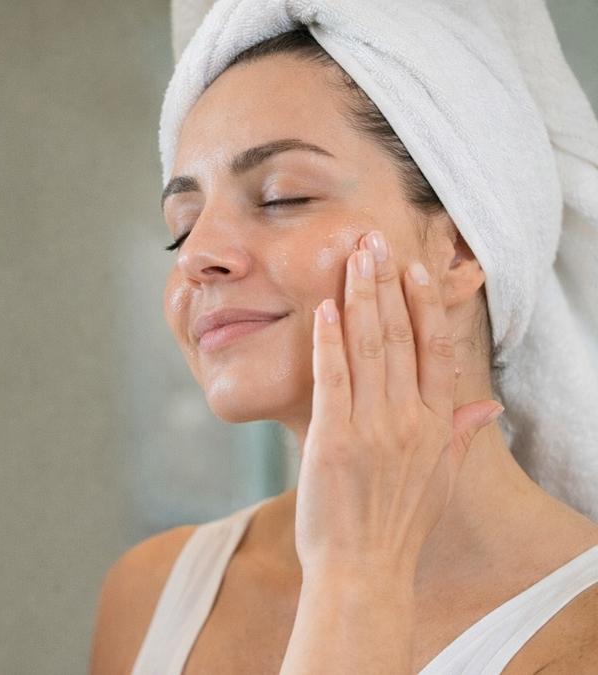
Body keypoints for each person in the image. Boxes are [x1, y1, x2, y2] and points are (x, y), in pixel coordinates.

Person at [92, 0, 598, 673]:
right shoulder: (151, 594)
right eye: (181, 227)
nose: (196, 255)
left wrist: (357, 574)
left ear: (461, 246)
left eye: (283, 196)